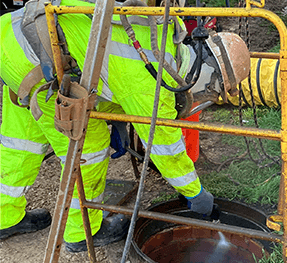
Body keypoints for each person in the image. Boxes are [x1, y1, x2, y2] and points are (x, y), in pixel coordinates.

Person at [0, 0, 222, 252]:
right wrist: (195, 193)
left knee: (20, 142)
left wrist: (116, 122)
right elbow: (163, 144)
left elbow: (111, 76)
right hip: (38, 57)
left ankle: (4, 216)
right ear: (202, 71)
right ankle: (82, 232)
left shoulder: (167, 34)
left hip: (14, 34)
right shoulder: (152, 76)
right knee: (87, 144)